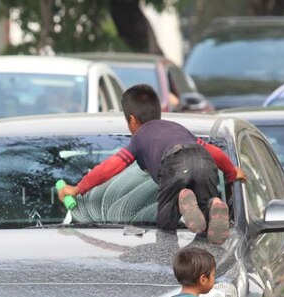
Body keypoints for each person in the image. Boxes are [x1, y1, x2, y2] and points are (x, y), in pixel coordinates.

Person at [57, 84, 246, 245]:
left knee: (165, 220)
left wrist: (78, 188)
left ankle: (180, 204)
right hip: (203, 159)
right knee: (205, 211)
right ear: (158, 112)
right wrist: (231, 172)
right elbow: (213, 151)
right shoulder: (177, 128)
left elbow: (110, 166)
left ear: (132, 120)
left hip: (175, 164)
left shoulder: (139, 138)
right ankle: (214, 204)